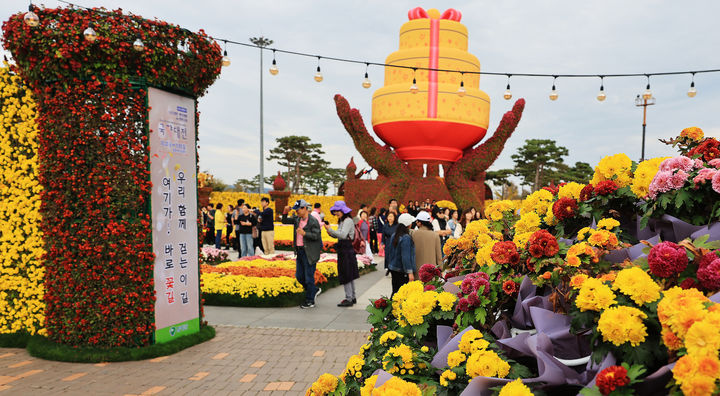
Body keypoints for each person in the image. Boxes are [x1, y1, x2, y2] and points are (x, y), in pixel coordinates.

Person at [281, 199, 323, 309]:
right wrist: (285, 212)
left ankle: (310, 300)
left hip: (309, 252)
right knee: (299, 276)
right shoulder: (297, 219)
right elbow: (284, 221)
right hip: (299, 251)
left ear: (305, 208)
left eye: (298, 209)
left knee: (309, 277)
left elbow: (316, 236)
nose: (296, 212)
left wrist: (305, 233)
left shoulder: (313, 221)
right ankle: (313, 290)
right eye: (295, 210)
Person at [324, 201, 360, 307]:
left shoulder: (347, 221)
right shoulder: (342, 221)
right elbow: (339, 235)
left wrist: (330, 230)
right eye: (335, 211)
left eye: (338, 210)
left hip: (346, 249)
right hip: (344, 249)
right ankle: (352, 297)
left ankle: (349, 298)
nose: (336, 213)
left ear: (343, 210)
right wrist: (329, 232)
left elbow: (343, 235)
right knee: (349, 273)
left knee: (347, 274)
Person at [385, 213, 416, 297]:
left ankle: (391, 309)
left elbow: (390, 252)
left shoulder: (394, 235)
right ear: (409, 224)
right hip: (401, 271)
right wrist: (410, 272)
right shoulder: (406, 237)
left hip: (393, 268)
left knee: (395, 292)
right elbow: (405, 256)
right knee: (402, 295)